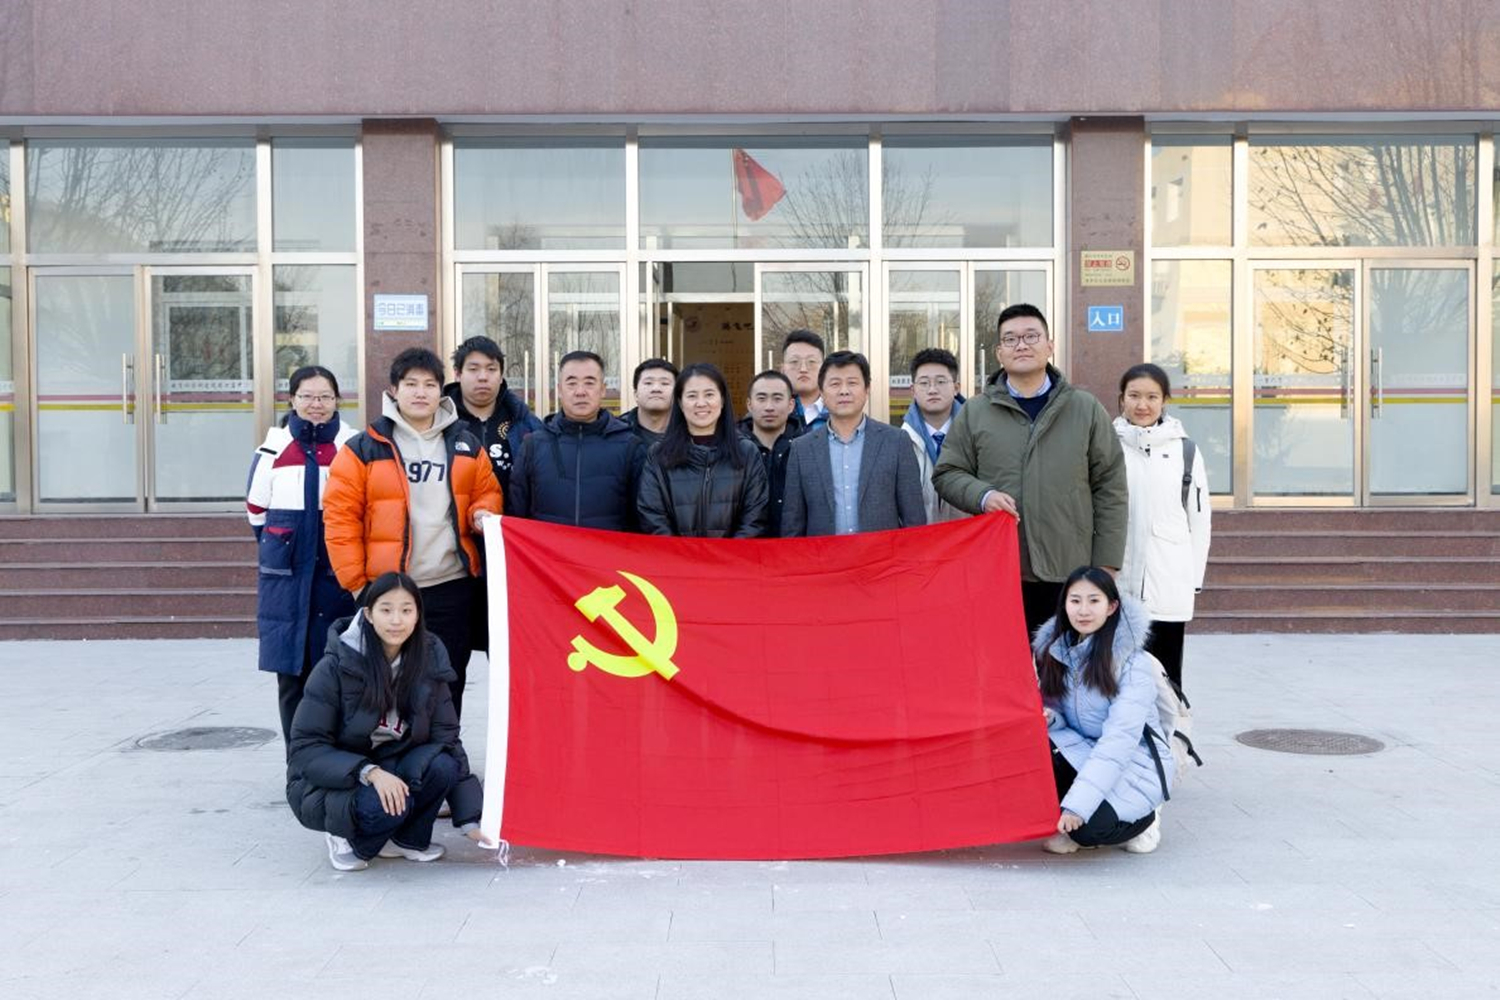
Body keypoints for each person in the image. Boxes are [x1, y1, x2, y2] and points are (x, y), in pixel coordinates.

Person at [323, 348, 502, 721]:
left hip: (452, 586)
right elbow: (340, 521)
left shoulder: (466, 443)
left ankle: (444, 749)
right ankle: (395, 751)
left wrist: (480, 513)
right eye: (411, 384)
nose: (421, 393)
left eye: (430, 385)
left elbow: (487, 492)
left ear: (441, 390)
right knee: (389, 683)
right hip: (389, 590)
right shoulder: (363, 448)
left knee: (448, 680)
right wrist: (359, 587)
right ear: (394, 390)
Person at [933, 303, 1127, 639]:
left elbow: (1110, 488)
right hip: (1001, 569)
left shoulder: (1084, 408)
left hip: (1070, 571)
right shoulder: (976, 412)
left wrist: (1106, 565)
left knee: (1066, 665)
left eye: (1031, 336)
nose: (1021, 345)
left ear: (1050, 346)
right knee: (1007, 663)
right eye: (1010, 339)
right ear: (999, 353)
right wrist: (983, 496)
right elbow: (947, 473)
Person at [287, 572, 484, 871]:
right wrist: (369, 772)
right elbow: (305, 748)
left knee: (442, 765)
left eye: (406, 610)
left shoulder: (428, 659)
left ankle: (404, 841)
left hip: (391, 763)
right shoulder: (335, 665)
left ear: (418, 615)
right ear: (368, 614)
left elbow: (447, 739)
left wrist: (470, 818)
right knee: (383, 807)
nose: (396, 621)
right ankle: (346, 838)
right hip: (332, 781)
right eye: (386, 610)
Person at [246, 365, 359, 749]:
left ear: (337, 400)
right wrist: (286, 544)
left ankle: (336, 758)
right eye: (307, 396)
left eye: (325, 396)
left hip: (337, 572)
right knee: (292, 675)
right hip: (288, 576)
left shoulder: (352, 445)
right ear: (292, 399)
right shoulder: (272, 449)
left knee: (340, 669)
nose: (316, 404)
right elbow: (256, 512)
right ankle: (298, 761)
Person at [1032, 566, 1172, 855]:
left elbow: (1118, 742)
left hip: (1135, 759)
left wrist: (1077, 806)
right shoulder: (1058, 652)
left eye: (1094, 601)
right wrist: (1051, 719)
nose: (1083, 610)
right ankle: (1072, 821)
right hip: (1084, 748)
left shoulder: (1133, 664)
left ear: (1111, 607)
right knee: (1031, 750)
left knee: (1089, 829)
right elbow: (1061, 717)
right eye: (1075, 600)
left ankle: (1146, 819)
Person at [1114, 363, 1211, 693]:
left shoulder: (1185, 450)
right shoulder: (1107, 445)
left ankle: (1170, 728)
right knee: (1115, 678)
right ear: (1122, 399)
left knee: (1166, 682)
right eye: (1134, 396)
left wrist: (1192, 580)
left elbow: (1199, 520)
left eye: (1152, 397)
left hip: (1168, 580)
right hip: (1119, 580)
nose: (1142, 405)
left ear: (1165, 400)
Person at [781, 351, 926, 537]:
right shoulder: (801, 449)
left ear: (867, 389)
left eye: (852, 383)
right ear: (822, 393)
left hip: (882, 554)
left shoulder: (896, 442)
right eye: (835, 384)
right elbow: (793, 524)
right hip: (824, 554)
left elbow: (914, 518)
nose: (844, 391)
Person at [508, 350, 645, 531]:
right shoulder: (533, 445)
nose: (580, 392)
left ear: (603, 389)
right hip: (547, 549)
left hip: (608, 548)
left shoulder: (630, 446)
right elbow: (516, 514)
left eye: (589, 383)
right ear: (559, 390)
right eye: (572, 383)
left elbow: (641, 519)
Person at [637, 363, 769, 537]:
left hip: (732, 554)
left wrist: (727, 553)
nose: (701, 403)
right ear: (680, 403)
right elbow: (652, 515)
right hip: (674, 553)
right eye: (692, 396)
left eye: (709, 394)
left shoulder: (747, 452)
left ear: (722, 400)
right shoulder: (659, 454)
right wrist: (679, 552)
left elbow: (755, 517)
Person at [442, 335, 542, 514]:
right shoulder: (440, 422)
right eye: (473, 369)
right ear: (457, 374)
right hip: (456, 528)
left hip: (512, 527)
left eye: (491, 369)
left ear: (501, 375)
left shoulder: (526, 424)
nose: (483, 377)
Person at [899, 347, 967, 525]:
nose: (932, 390)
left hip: (968, 537)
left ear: (956, 388)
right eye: (924, 383)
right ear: (913, 390)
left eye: (941, 381)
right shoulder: (898, 441)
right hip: (918, 538)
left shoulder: (975, 435)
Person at [738, 369, 799, 537]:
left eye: (777, 399)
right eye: (761, 398)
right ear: (749, 404)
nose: (769, 407)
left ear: (791, 405)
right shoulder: (733, 448)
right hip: (743, 546)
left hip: (794, 545)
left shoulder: (806, 447)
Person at [620, 358, 678, 448]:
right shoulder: (617, 432)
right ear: (636, 394)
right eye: (648, 383)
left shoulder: (691, 432)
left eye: (665, 383)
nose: (656, 389)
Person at [780, 329, 827, 432]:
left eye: (811, 362)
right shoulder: (769, 412)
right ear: (782, 369)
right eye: (794, 361)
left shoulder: (838, 411)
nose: (803, 369)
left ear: (824, 369)